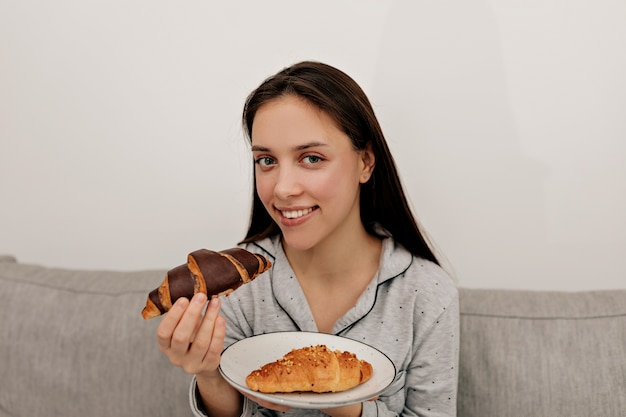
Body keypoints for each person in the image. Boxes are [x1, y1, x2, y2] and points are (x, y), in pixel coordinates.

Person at [156, 61, 459, 417]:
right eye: (266, 160)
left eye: (311, 158)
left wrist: (339, 400)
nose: (283, 188)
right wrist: (209, 372)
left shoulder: (425, 293)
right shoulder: (241, 286)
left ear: (365, 161)